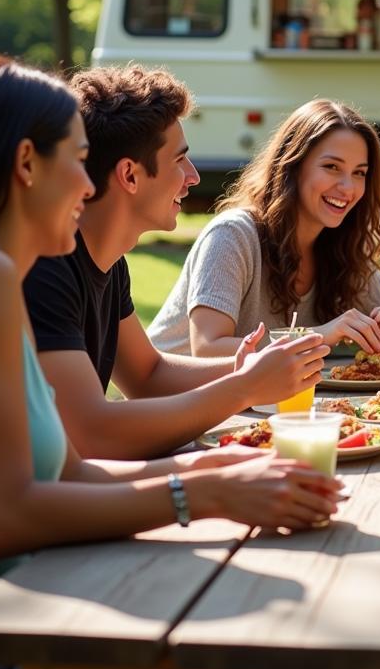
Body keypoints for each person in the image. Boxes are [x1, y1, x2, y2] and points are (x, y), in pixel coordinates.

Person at [0, 56, 340, 669]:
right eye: (75, 157)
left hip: (39, 597)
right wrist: (199, 491)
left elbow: (70, 472)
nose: (88, 184)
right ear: (25, 165)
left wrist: (213, 463)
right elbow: (3, 518)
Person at [22, 66, 329, 460]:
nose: (194, 177)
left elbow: (148, 376)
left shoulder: (109, 262)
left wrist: (246, 367)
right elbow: (92, 436)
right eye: (180, 160)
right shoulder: (47, 267)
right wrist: (245, 387)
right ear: (129, 175)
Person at [149, 98, 380, 359]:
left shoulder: (342, 245)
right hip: (170, 401)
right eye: (331, 167)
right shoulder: (232, 235)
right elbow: (209, 348)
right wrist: (318, 336)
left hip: (261, 403)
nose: (348, 187)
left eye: (359, 173)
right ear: (292, 166)